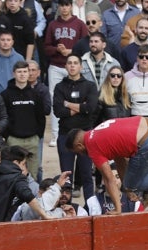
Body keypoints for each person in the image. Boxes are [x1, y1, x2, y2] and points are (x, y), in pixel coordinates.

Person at [66, 116, 148, 214]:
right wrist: (128, 191)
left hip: (146, 142)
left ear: (79, 146)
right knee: (145, 156)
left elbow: (109, 179)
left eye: (78, 153)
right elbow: (120, 161)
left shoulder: (92, 146)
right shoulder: (98, 131)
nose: (82, 155)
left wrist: (117, 208)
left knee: (134, 183)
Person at [54, 53, 98, 201]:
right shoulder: (60, 87)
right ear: (65, 66)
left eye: (75, 63)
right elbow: (58, 111)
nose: (72, 65)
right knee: (67, 175)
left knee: (86, 174)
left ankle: (91, 207)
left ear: (81, 66)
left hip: (85, 135)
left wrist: (67, 104)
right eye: (69, 63)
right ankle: (67, 207)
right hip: (65, 135)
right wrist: (81, 107)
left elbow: (91, 108)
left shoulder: (90, 86)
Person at [45, 0, 88, 147]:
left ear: (71, 6)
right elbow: (46, 47)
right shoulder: (53, 24)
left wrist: (72, 51)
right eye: (62, 5)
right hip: (56, 65)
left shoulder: (80, 24)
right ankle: (56, 135)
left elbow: (86, 46)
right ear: (59, 7)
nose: (64, 8)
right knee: (55, 99)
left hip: (75, 65)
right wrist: (57, 49)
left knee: (78, 98)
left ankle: (78, 133)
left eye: (67, 5)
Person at [2, 60, 45, 178]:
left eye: (25, 71)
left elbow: (41, 117)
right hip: (14, 140)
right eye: (19, 71)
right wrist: (8, 136)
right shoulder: (5, 94)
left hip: (32, 140)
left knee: (32, 176)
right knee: (13, 175)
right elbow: (3, 116)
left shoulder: (36, 94)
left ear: (28, 74)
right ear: (14, 74)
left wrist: (38, 136)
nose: (22, 74)